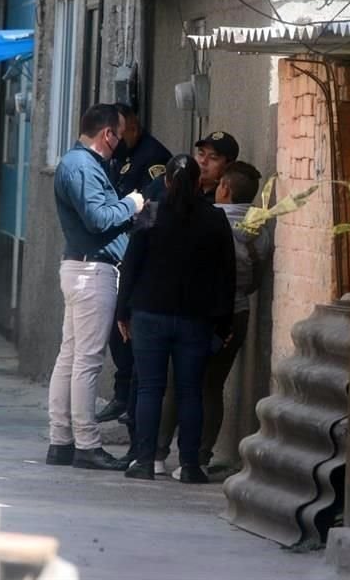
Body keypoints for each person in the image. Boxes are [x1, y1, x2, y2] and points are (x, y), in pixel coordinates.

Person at [115, 154, 236, 483]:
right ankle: (191, 464)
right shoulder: (214, 219)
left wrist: (122, 311)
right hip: (195, 318)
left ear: (167, 180)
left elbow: (131, 265)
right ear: (200, 182)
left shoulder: (150, 213)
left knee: (150, 389)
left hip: (149, 313)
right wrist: (224, 323)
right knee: (190, 391)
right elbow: (226, 274)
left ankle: (144, 460)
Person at [155, 161, 273, 477]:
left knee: (177, 384)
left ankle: (158, 452)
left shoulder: (209, 220)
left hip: (200, 313)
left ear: (225, 189)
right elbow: (257, 276)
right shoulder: (259, 229)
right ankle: (200, 458)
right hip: (237, 313)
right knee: (211, 387)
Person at [45, 104, 145, 471]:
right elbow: (99, 217)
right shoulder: (84, 165)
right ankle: (86, 443)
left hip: (82, 268)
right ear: (108, 135)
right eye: (119, 135)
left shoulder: (77, 164)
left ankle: (61, 440)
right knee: (85, 360)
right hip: (93, 271)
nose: (120, 142)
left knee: (70, 357)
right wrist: (133, 203)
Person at [95, 105, 172, 431]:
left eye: (119, 131)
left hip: (135, 250)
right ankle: (122, 393)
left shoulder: (152, 158)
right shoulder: (122, 154)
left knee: (128, 332)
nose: (114, 139)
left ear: (134, 128)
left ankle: (129, 401)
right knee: (117, 329)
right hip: (120, 248)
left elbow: (148, 205)